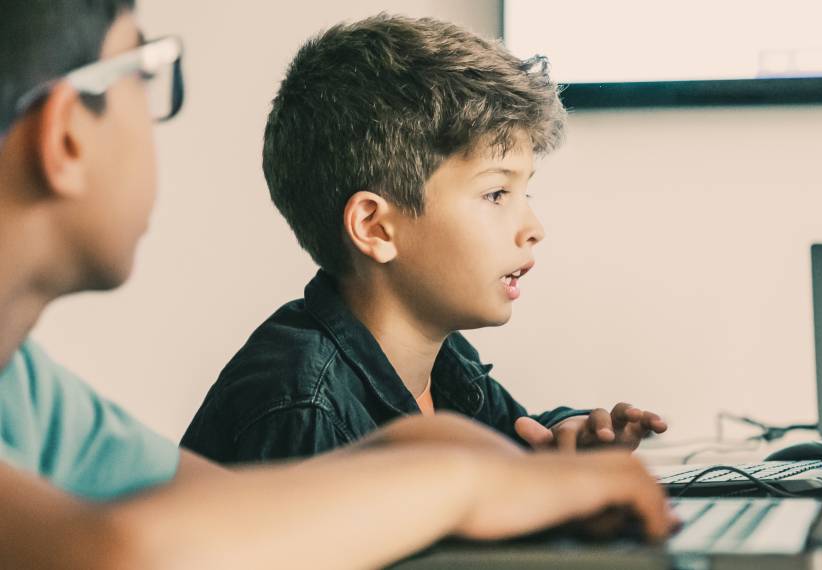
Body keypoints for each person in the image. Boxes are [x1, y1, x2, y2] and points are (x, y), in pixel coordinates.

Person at [0, 2, 677, 568]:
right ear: (65, 138)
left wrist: (535, 467)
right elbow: (120, 553)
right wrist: (472, 478)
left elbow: (223, 508)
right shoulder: (300, 398)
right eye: (145, 79)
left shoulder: (25, 387)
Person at [182, 14, 669, 466]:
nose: (533, 228)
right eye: (497, 193)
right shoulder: (303, 406)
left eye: (526, 191)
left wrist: (564, 439)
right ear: (375, 228)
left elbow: (508, 447)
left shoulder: (442, 360)